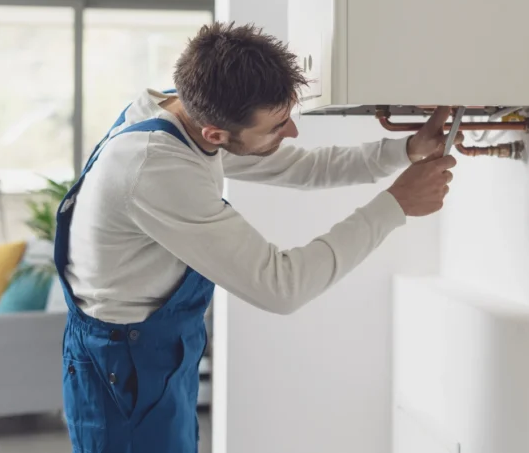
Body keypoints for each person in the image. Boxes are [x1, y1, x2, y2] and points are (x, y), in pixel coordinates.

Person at [54, 22, 460, 453]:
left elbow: (297, 166)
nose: (292, 133)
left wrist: (407, 150)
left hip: (155, 350)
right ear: (216, 134)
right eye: (277, 125)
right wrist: (395, 204)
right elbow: (282, 286)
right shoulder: (155, 167)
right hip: (123, 366)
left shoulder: (178, 113)